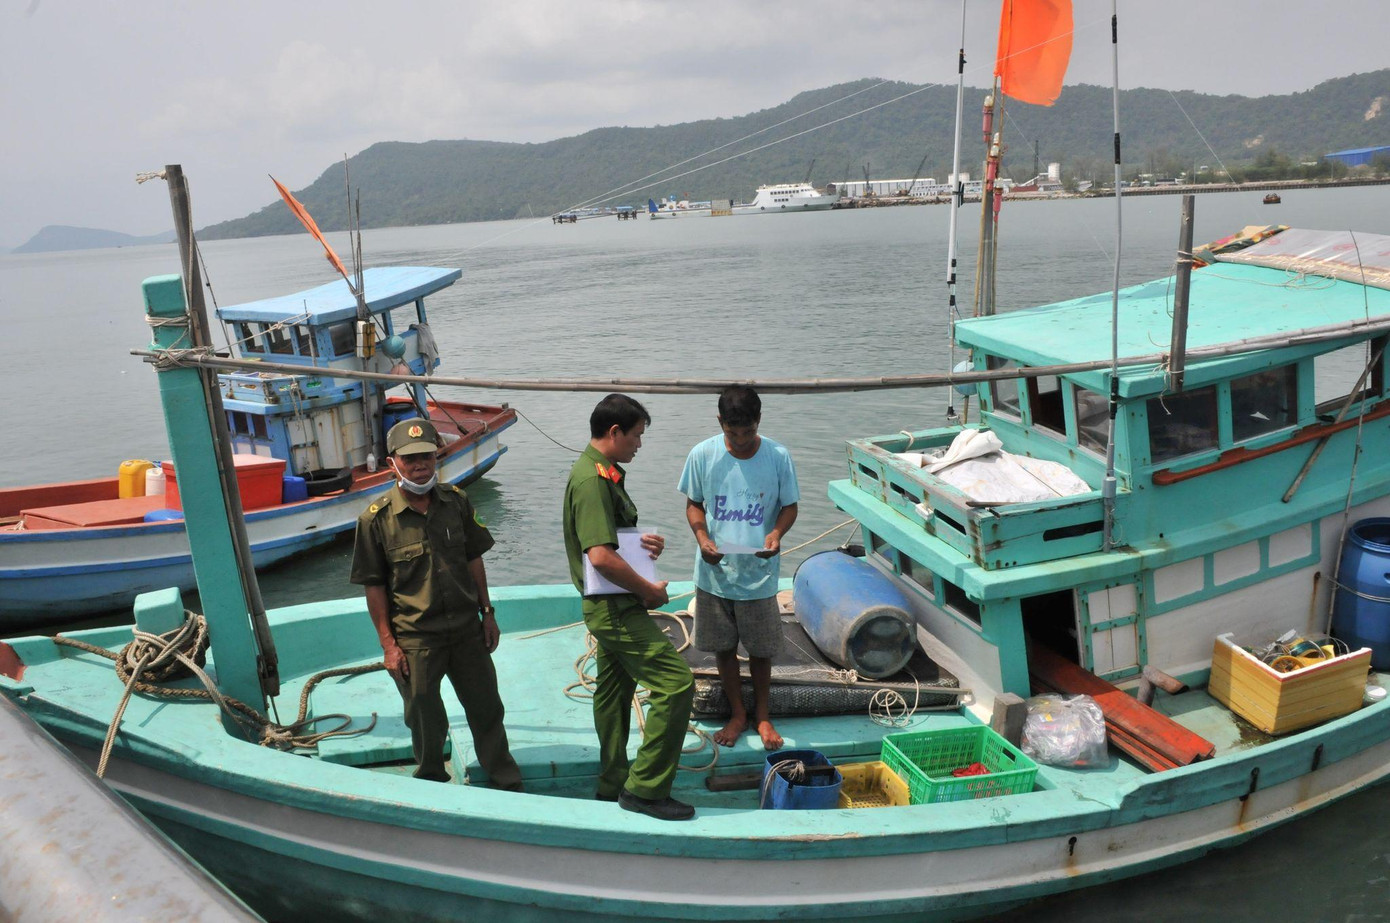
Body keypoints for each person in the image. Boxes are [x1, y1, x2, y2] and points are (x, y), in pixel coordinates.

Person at [350, 417, 523, 791]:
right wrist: (389, 647)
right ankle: (431, 783)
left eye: (427, 456)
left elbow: (474, 557)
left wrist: (487, 613)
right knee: (425, 719)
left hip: (466, 632)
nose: (420, 465)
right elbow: (374, 586)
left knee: (487, 709)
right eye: (410, 459)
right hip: (416, 640)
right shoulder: (375, 520)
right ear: (393, 462)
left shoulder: (456, 502)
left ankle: (505, 779)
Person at [563, 393, 696, 821]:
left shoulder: (603, 475)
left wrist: (641, 544)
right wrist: (648, 592)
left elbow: (607, 545)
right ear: (615, 432)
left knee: (614, 692)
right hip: (614, 608)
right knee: (676, 685)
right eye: (637, 435)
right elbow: (599, 557)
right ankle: (646, 789)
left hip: (612, 603)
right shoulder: (592, 481)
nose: (640, 443)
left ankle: (614, 780)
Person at [678, 386, 799, 751]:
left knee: (762, 650)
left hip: (759, 575)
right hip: (715, 574)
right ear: (720, 423)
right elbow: (694, 504)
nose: (741, 440)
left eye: (748, 432)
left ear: (758, 422)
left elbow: (789, 506)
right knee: (723, 649)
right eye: (733, 433)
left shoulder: (778, 456)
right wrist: (702, 539)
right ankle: (737, 714)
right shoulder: (702, 454)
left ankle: (762, 715)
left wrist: (776, 533)